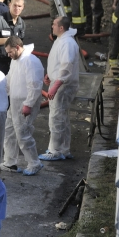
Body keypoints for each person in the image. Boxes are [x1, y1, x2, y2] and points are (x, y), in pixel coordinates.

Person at [1, 36, 44, 175]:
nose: (8, 55)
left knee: (23, 134)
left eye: (10, 52)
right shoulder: (16, 61)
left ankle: (34, 163)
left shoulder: (30, 61)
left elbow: (35, 85)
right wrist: (1, 91)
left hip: (24, 103)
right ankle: (10, 162)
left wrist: (29, 104)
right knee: (9, 131)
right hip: (14, 102)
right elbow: (9, 78)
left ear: (18, 47)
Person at [40, 16, 79, 161]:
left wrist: (56, 84)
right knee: (62, 117)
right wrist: (50, 75)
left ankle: (54, 150)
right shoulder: (62, 40)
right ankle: (63, 148)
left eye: (54, 24)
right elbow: (59, 62)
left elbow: (66, 66)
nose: (52, 26)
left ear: (61, 28)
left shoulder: (67, 43)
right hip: (60, 83)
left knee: (56, 117)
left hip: (63, 86)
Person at [0, 0, 26, 74]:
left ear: (23, 7)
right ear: (10, 5)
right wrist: (8, 41)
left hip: (14, 62)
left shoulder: (21, 23)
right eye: (15, 5)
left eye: (19, 6)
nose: (17, 8)